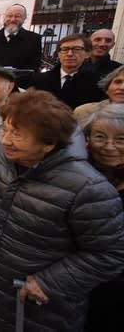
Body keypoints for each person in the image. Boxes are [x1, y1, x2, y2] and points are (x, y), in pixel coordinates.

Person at [0, 89, 124, 332]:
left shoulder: (89, 189)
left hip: (39, 305)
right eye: (6, 130)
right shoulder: (3, 156)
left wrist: (48, 282)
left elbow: (109, 255)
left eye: (17, 134)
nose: (5, 139)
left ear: (49, 142)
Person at [82, 104, 124, 332]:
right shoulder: (78, 175)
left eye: (121, 139)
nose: (109, 147)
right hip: (78, 290)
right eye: (100, 137)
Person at [0, 4, 42, 88]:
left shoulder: (34, 39)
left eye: (17, 16)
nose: (12, 19)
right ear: (4, 17)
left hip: (20, 88)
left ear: (24, 19)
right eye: (9, 16)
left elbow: (34, 67)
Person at [31, 33, 105, 109]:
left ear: (87, 54)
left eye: (77, 49)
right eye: (65, 49)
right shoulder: (39, 79)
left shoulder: (97, 83)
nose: (69, 54)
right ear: (58, 54)